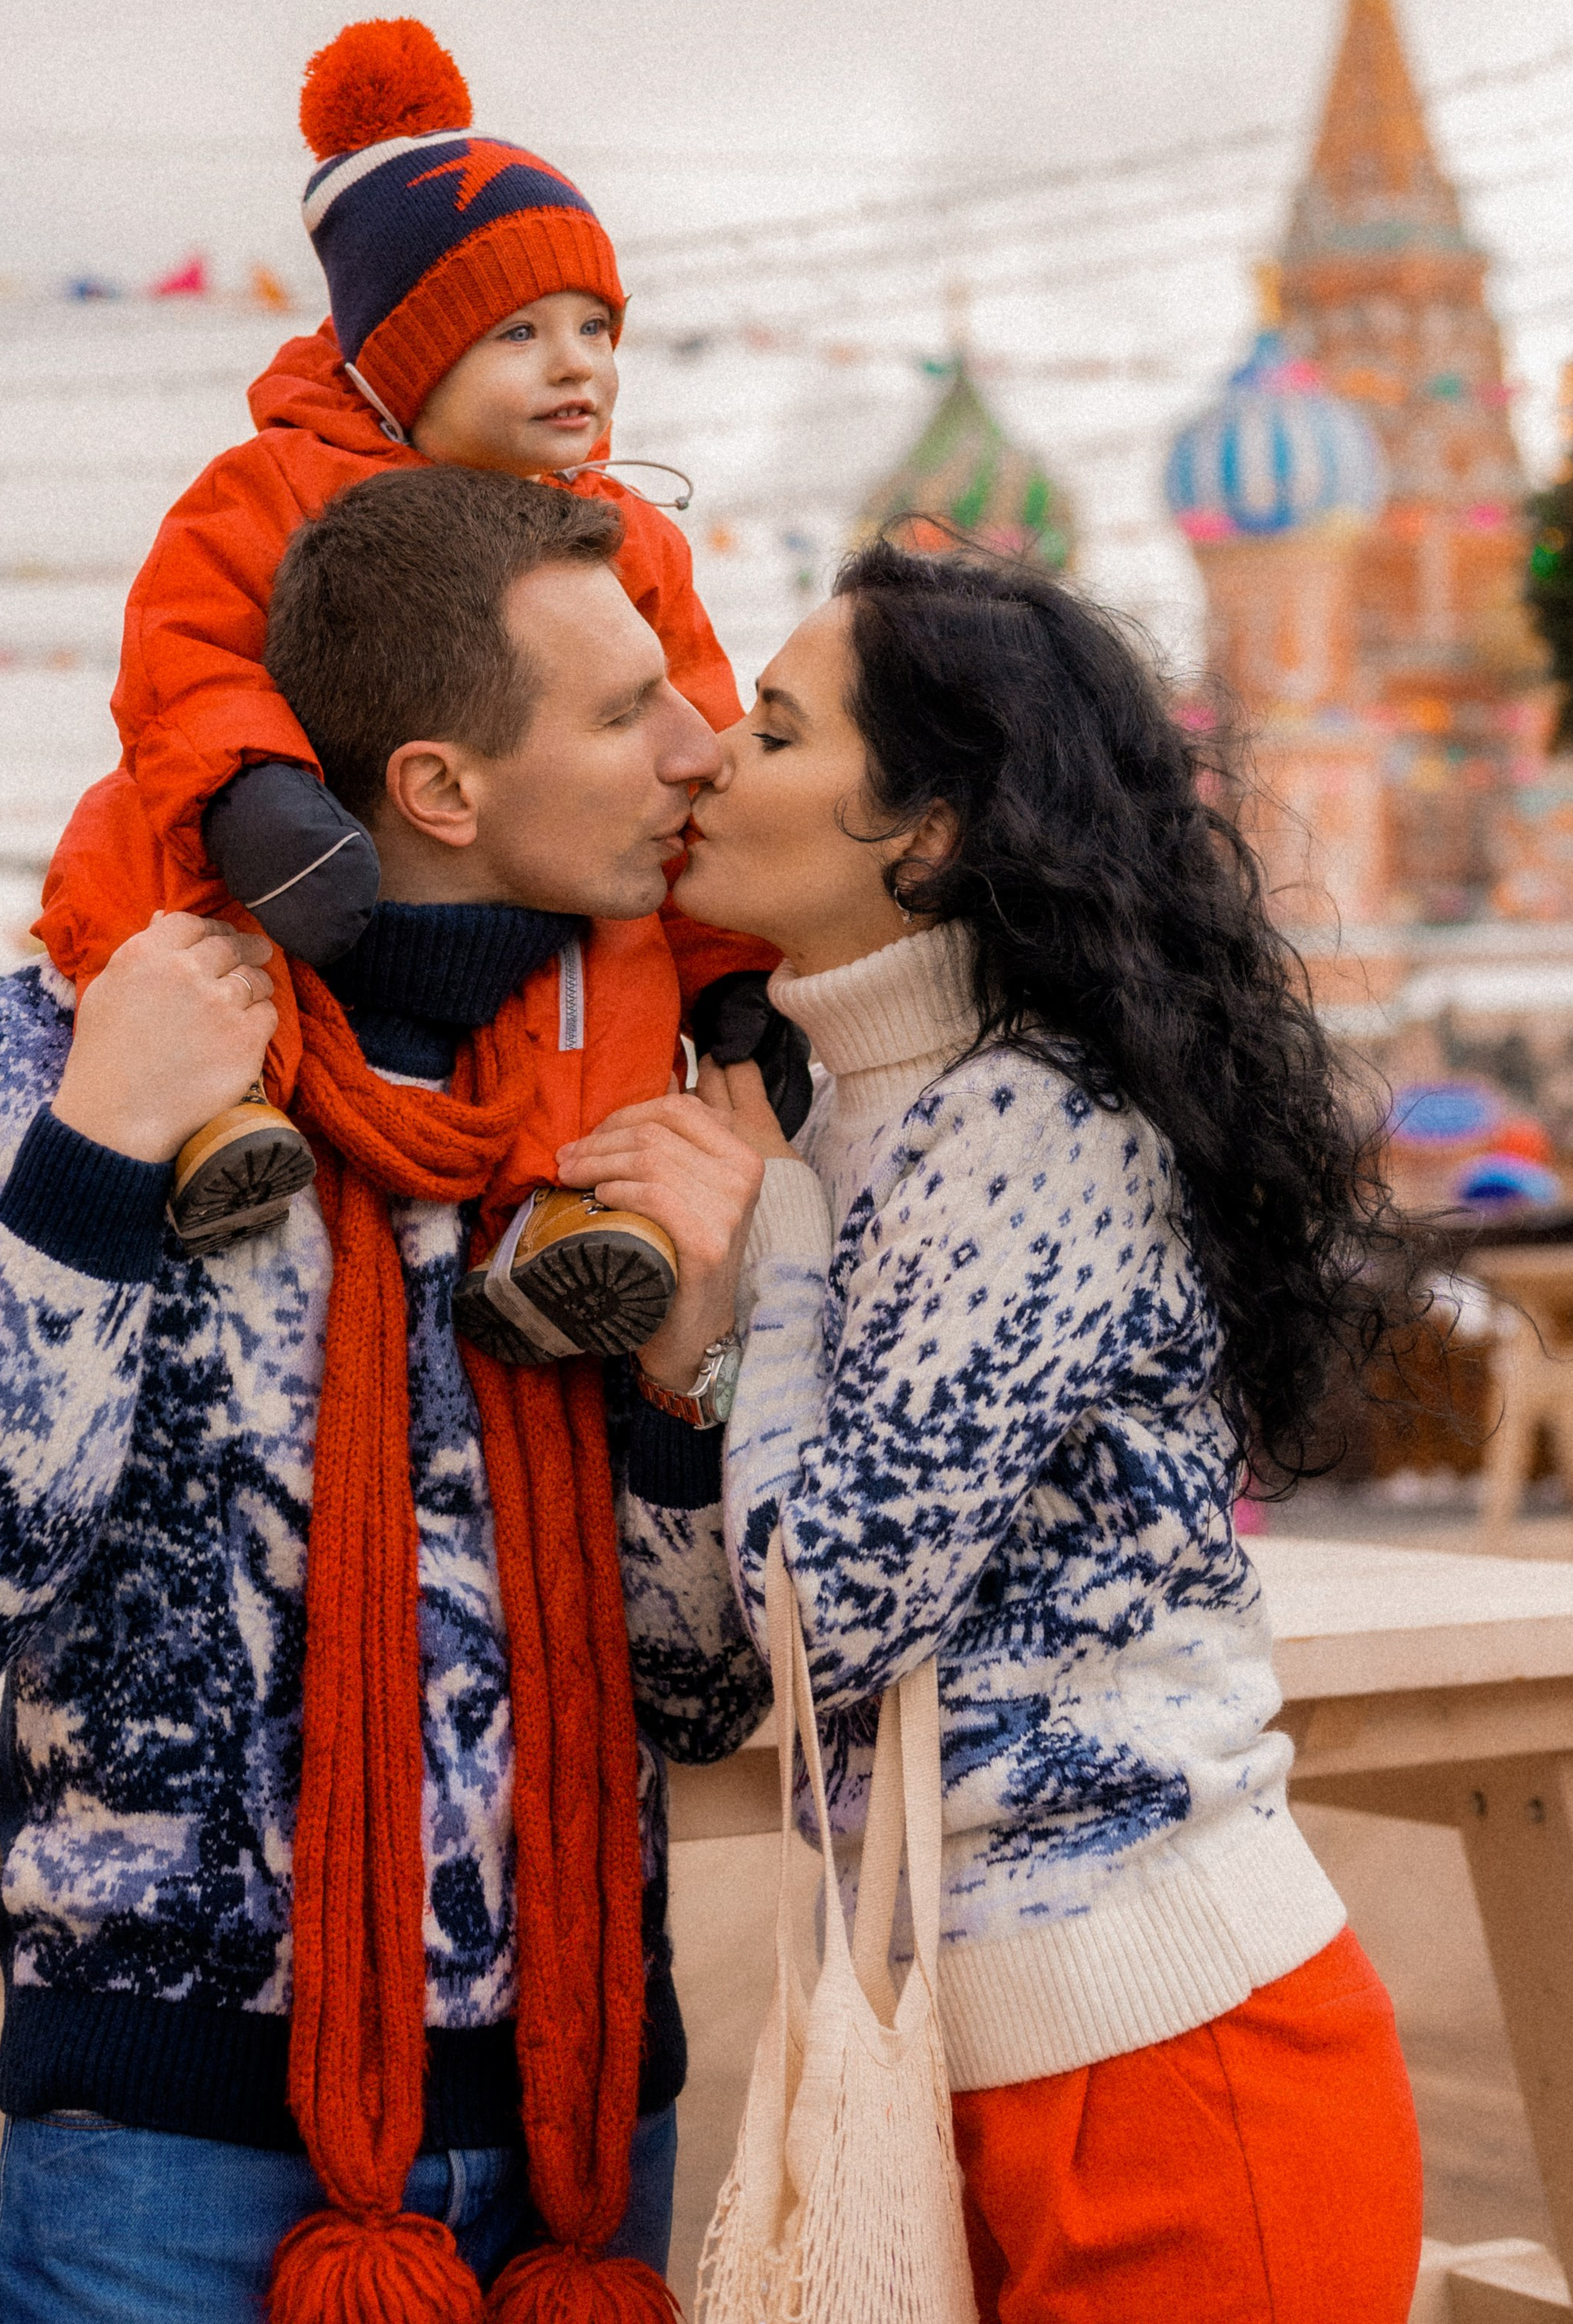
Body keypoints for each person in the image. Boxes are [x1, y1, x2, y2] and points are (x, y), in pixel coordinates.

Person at [0, 466, 771, 2324]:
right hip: (168, 2163)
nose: (694, 750)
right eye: (621, 710)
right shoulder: (48, 1053)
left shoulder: (649, 1104)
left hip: (583, 2141)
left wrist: (692, 1357)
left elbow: (702, 1690)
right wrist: (98, 1153)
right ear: (436, 787)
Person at [563, 537, 1427, 2324]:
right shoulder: (835, 1132)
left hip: (1178, 2070)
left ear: (926, 832)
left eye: (780, 732)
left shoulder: (1034, 1127)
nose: (713, 751)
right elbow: (706, 1689)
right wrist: (678, 1371)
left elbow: (839, 1605)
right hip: (941, 2078)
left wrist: (772, 1266)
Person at [33, 15, 792, 1313]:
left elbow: (692, 747)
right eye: (518, 332)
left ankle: (577, 1200)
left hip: (513, 885)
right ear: (403, 358)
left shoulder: (627, 534)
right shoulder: (276, 486)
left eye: (597, 326)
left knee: (612, 956)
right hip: (303, 838)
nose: (578, 365)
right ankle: (211, 1108)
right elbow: (183, 658)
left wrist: (730, 967)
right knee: (142, 846)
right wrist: (258, 792)